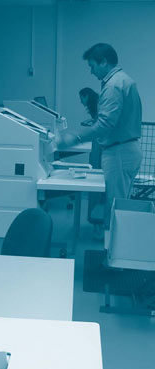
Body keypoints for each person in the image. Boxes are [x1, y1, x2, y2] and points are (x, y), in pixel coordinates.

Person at [57, 43, 142, 231]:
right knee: (120, 206)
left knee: (114, 211)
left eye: (92, 66)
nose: (91, 72)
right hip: (127, 148)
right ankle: (116, 251)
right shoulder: (124, 80)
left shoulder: (113, 86)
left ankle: (112, 255)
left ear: (103, 62)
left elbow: (105, 124)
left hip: (119, 151)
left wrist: (75, 137)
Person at [78, 87, 104, 238]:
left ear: (87, 96)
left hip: (100, 146)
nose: (81, 101)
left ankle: (98, 224)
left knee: (96, 179)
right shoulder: (98, 103)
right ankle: (97, 225)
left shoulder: (98, 104)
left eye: (81, 98)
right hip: (100, 145)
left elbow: (101, 124)